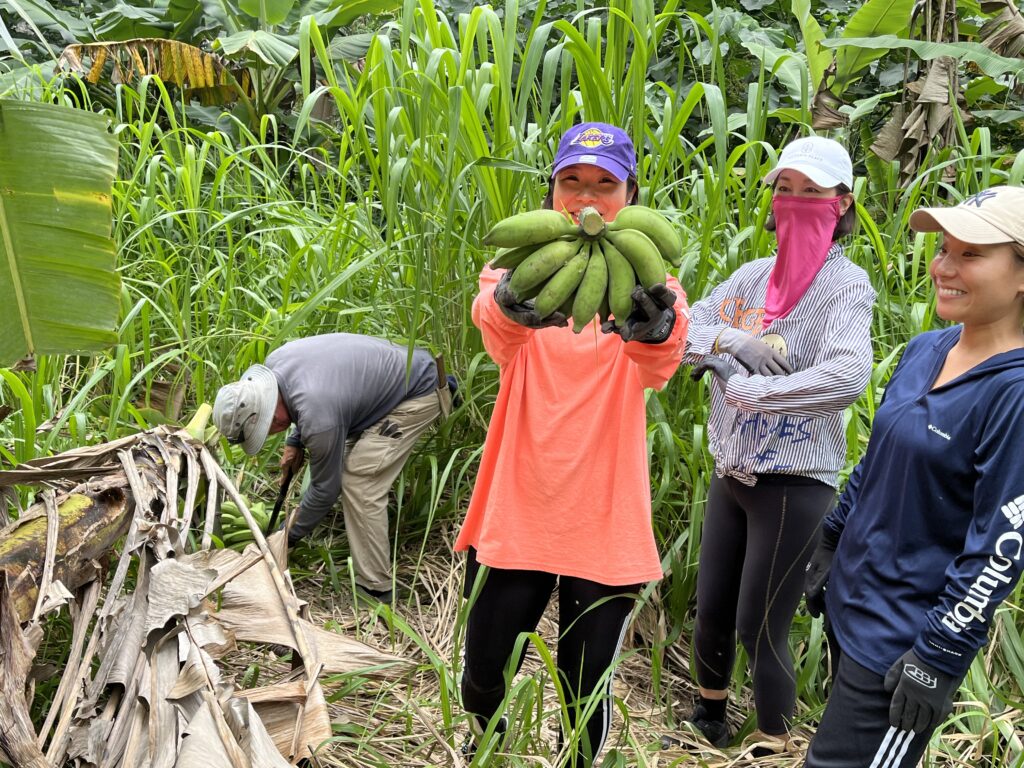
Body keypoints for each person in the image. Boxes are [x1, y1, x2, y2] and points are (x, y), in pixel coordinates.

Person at [454, 122, 689, 765]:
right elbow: (496, 333)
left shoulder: (646, 286)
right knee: (482, 672)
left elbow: (661, 363)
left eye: (605, 185)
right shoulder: (522, 273)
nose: (587, 198)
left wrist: (655, 327)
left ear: (630, 195)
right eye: (572, 181)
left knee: (586, 693)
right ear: (552, 190)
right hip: (519, 505)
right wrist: (508, 303)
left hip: (603, 515)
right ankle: (489, 752)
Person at [802, 185, 1024, 767]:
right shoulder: (928, 348)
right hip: (851, 606)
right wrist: (833, 534)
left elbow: (1000, 546)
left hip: (902, 644)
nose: (943, 267)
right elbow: (879, 457)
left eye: (971, 255)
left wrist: (940, 655)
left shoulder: (1015, 395)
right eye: (943, 249)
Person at [682, 136, 876, 756]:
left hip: (794, 484)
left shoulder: (846, 287)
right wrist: (731, 344)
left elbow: (848, 375)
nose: (794, 202)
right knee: (709, 605)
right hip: (733, 472)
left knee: (759, 624)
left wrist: (754, 393)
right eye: (783, 189)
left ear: (841, 203)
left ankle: (773, 740)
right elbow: (688, 330)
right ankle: (708, 715)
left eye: (812, 193)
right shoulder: (751, 278)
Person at [212, 333, 453, 602]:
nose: (269, 434)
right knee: (350, 460)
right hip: (398, 375)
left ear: (269, 414)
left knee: (360, 480)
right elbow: (308, 397)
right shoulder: (277, 362)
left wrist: (286, 538)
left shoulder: (319, 418)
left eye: (263, 430)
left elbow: (326, 489)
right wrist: (295, 442)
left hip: (420, 392)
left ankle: (376, 589)